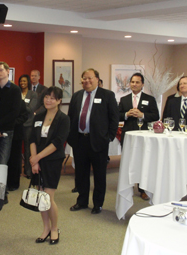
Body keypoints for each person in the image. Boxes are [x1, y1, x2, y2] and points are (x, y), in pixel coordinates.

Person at [67, 68, 119, 214]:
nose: (87, 81)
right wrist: (71, 137)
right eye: (84, 78)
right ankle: (82, 201)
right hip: (79, 141)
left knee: (99, 174)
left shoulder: (107, 95)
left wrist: (109, 137)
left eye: (90, 78)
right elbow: (71, 117)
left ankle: (98, 204)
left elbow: (114, 118)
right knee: (81, 174)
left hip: (98, 141)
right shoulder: (77, 96)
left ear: (97, 79)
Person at [30, 86, 69, 245]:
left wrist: (37, 157)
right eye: (46, 97)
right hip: (37, 161)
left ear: (59, 101)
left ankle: (54, 228)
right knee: (40, 197)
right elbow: (32, 139)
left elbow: (57, 143)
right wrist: (34, 160)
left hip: (52, 160)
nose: (48, 100)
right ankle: (45, 228)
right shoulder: (38, 116)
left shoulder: (63, 119)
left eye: (52, 98)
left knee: (48, 197)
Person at [118, 73, 159, 200]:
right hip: (128, 135)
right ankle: (127, 187)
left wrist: (142, 115)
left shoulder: (150, 99)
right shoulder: (124, 99)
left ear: (142, 84)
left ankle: (142, 189)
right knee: (128, 161)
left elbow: (156, 116)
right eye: (132, 82)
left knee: (143, 162)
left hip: (144, 135)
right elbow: (117, 115)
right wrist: (126, 114)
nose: (134, 84)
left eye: (137, 82)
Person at [19, 74, 40, 178]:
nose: (22, 83)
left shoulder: (33, 94)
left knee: (28, 148)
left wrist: (20, 104)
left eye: (24, 81)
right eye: (21, 81)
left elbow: (30, 109)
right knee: (17, 149)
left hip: (28, 124)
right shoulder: (17, 93)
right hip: (18, 124)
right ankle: (18, 171)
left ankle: (28, 171)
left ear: (28, 82)